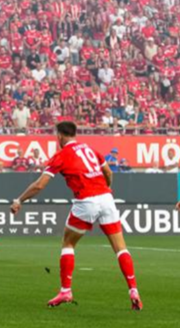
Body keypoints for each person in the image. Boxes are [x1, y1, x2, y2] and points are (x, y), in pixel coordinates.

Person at [10, 122, 141, 310]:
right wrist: (107, 188)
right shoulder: (90, 149)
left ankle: (66, 291)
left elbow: (39, 185)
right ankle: (133, 290)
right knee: (120, 248)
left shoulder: (61, 155)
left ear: (60, 136)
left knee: (68, 243)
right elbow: (108, 172)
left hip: (86, 200)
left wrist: (19, 200)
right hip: (106, 198)